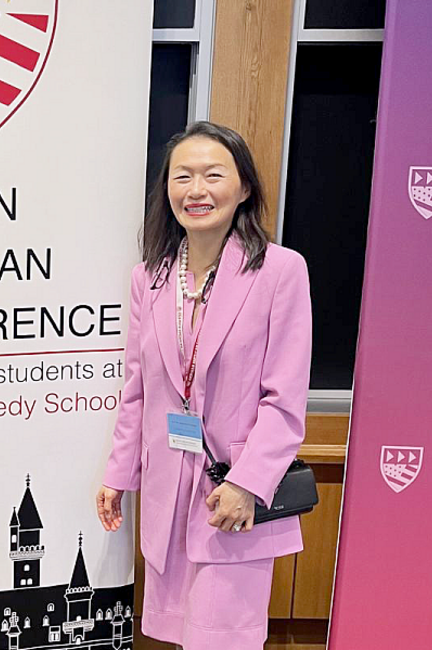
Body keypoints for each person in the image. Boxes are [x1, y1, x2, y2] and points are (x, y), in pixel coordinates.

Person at [95, 121, 311, 649]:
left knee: (223, 639)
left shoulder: (280, 271)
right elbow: (139, 389)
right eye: (182, 176)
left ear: (244, 187)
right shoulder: (150, 277)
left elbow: (284, 401)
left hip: (231, 494)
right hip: (167, 493)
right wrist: (119, 473)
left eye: (213, 175)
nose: (196, 190)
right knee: (177, 635)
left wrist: (247, 484)